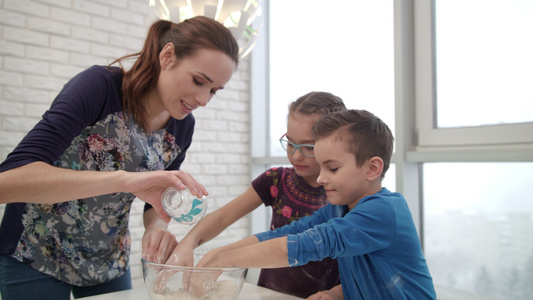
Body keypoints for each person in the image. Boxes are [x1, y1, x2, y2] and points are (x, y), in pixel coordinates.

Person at [0, 16, 239, 300]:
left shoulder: (182, 126)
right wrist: (126, 181)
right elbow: (9, 182)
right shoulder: (100, 87)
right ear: (167, 55)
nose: (203, 100)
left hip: (108, 264)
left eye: (213, 91)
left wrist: (156, 226)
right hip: (36, 253)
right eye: (199, 81)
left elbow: (157, 196)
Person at [191, 109, 437, 300]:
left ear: (372, 168)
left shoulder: (384, 211)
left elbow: (305, 245)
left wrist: (228, 261)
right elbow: (288, 233)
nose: (320, 178)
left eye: (332, 168)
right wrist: (218, 253)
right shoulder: (338, 210)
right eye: (321, 168)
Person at [165, 92, 346, 298]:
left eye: (308, 147)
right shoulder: (276, 179)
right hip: (269, 293)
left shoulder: (344, 196)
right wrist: (189, 242)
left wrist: (334, 294)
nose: (296, 155)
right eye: (290, 143)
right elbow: (224, 216)